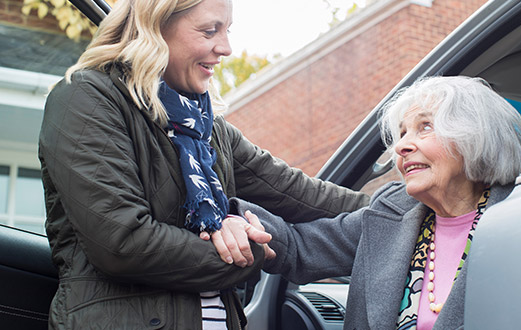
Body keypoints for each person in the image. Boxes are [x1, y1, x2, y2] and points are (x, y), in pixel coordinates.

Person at [38, 0, 369, 329]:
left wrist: (404, 208)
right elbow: (123, 243)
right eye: (210, 30)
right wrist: (251, 250)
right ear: (156, 26)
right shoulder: (86, 99)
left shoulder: (204, 126)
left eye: (227, 31)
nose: (225, 48)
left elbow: (293, 191)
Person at [221, 76, 521, 329]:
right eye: (403, 133)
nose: (403, 146)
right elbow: (301, 248)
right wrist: (234, 221)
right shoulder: (391, 213)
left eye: (425, 127)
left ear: (474, 136)